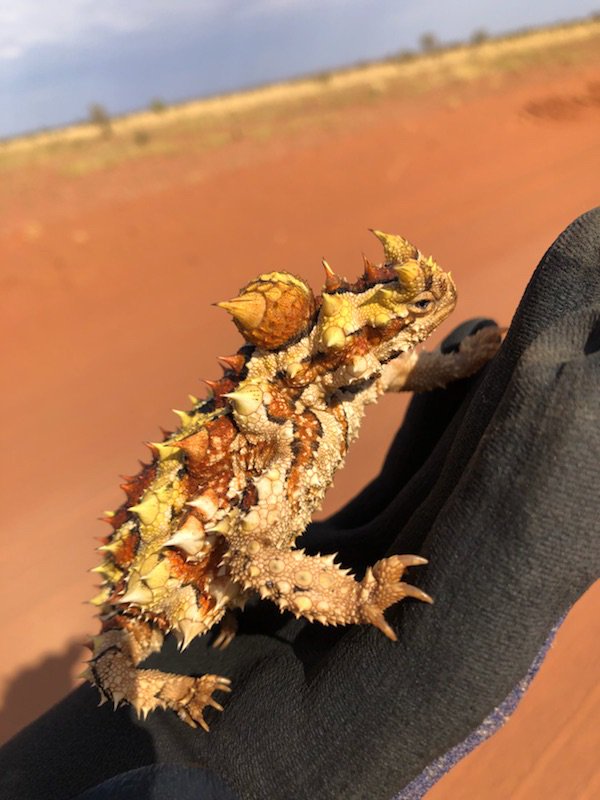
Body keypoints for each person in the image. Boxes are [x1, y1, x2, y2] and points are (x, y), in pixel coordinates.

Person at [1, 209, 598, 800]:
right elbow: (253, 556)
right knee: (117, 658)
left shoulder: (331, 368)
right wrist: (356, 599)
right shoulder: (289, 408)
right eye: (413, 312)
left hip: (235, 554)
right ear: (351, 342)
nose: (424, 317)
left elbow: (378, 372)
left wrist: (454, 365)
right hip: (171, 586)